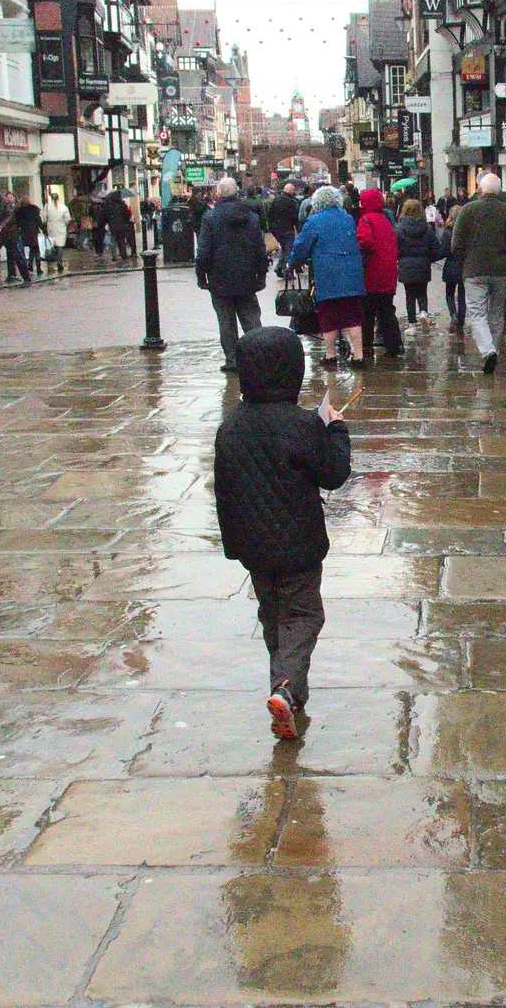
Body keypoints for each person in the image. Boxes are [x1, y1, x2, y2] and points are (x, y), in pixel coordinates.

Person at [214, 326, 352, 741]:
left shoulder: (231, 427)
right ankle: (287, 688)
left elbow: (224, 489)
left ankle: (288, 691)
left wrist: (234, 542)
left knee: (273, 612)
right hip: (299, 544)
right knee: (304, 613)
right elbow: (334, 474)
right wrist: (337, 430)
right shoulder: (304, 425)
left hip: (254, 547)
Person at [453, 172, 506, 374]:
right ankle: (492, 348)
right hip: (501, 271)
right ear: (500, 190)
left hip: (474, 270)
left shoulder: (468, 210)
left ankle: (487, 351)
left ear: (479, 188)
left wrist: (465, 262)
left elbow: (456, 243)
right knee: (496, 314)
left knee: (477, 313)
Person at [288, 185, 368, 369]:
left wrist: (292, 262)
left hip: (327, 275)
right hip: (352, 274)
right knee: (353, 316)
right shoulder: (348, 219)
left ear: (318, 203)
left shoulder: (314, 221)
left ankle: (330, 356)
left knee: (328, 315)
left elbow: (301, 246)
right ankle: (358, 355)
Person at [195, 178, 268, 373]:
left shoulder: (210, 217)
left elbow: (203, 251)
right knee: (251, 318)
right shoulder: (250, 217)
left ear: (218, 194)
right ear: (237, 193)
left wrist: (201, 276)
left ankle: (232, 359)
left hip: (219, 277)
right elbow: (260, 248)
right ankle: (258, 355)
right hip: (246, 275)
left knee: (226, 321)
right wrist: (262, 274)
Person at [355, 188, 404, 360]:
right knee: (386, 310)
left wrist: (356, 246)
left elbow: (366, 242)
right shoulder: (385, 219)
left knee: (367, 311)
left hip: (372, 272)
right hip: (388, 272)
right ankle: (394, 344)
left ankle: (366, 345)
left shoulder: (365, 220)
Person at [395, 197, 440, 324]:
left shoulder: (399, 229)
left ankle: (411, 324)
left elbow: (394, 248)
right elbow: (435, 247)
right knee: (422, 291)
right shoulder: (427, 228)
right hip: (423, 265)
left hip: (405, 265)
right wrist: (429, 259)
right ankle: (424, 312)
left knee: (409, 295)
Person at [439, 204, 465, 332]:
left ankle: (453, 314)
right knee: (462, 294)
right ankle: (462, 318)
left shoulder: (447, 232)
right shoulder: (467, 230)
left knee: (449, 293)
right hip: (464, 266)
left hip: (450, 265)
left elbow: (443, 250)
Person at [266, 183, 301, 261]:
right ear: (291, 191)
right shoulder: (291, 202)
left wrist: (270, 227)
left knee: (284, 247)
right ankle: (284, 267)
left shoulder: (275, 200)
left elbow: (269, 214)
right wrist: (299, 230)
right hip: (287, 229)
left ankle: (280, 266)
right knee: (288, 248)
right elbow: (294, 217)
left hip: (275, 229)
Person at [15, 195, 44, 277]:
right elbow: (39, 221)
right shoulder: (34, 210)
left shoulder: (19, 211)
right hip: (33, 232)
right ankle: (38, 267)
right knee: (35, 250)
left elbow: (17, 223)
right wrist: (44, 230)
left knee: (23, 250)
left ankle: (28, 266)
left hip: (23, 232)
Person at [43, 191, 70, 275]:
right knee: (60, 245)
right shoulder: (63, 207)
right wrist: (64, 224)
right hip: (61, 227)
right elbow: (67, 219)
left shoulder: (47, 206)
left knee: (53, 244)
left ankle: (55, 259)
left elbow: (44, 217)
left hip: (51, 227)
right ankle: (59, 260)